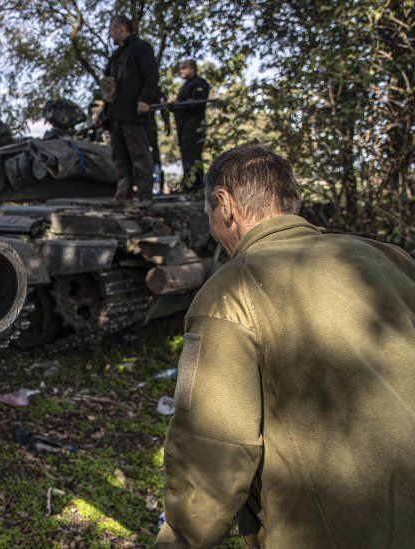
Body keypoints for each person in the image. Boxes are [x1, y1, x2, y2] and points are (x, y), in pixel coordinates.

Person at [156, 144, 415, 547]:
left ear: (224, 205)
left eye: (209, 213)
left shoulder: (230, 291)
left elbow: (214, 447)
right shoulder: (389, 259)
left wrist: (180, 538)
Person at [101, 15, 160, 202]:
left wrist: (145, 99)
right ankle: (123, 196)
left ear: (121, 28)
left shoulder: (141, 48)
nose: (110, 33)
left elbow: (151, 75)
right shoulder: (115, 56)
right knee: (119, 157)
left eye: (112, 29)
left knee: (140, 154)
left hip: (134, 112)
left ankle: (144, 196)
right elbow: (107, 87)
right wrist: (104, 116)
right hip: (116, 114)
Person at [172, 59, 209, 192]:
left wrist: (180, 105)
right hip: (183, 127)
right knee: (186, 155)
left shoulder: (199, 84)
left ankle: (196, 185)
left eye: (184, 68)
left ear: (193, 69)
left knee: (193, 155)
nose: (181, 71)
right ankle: (188, 183)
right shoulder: (186, 86)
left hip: (194, 126)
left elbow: (196, 102)